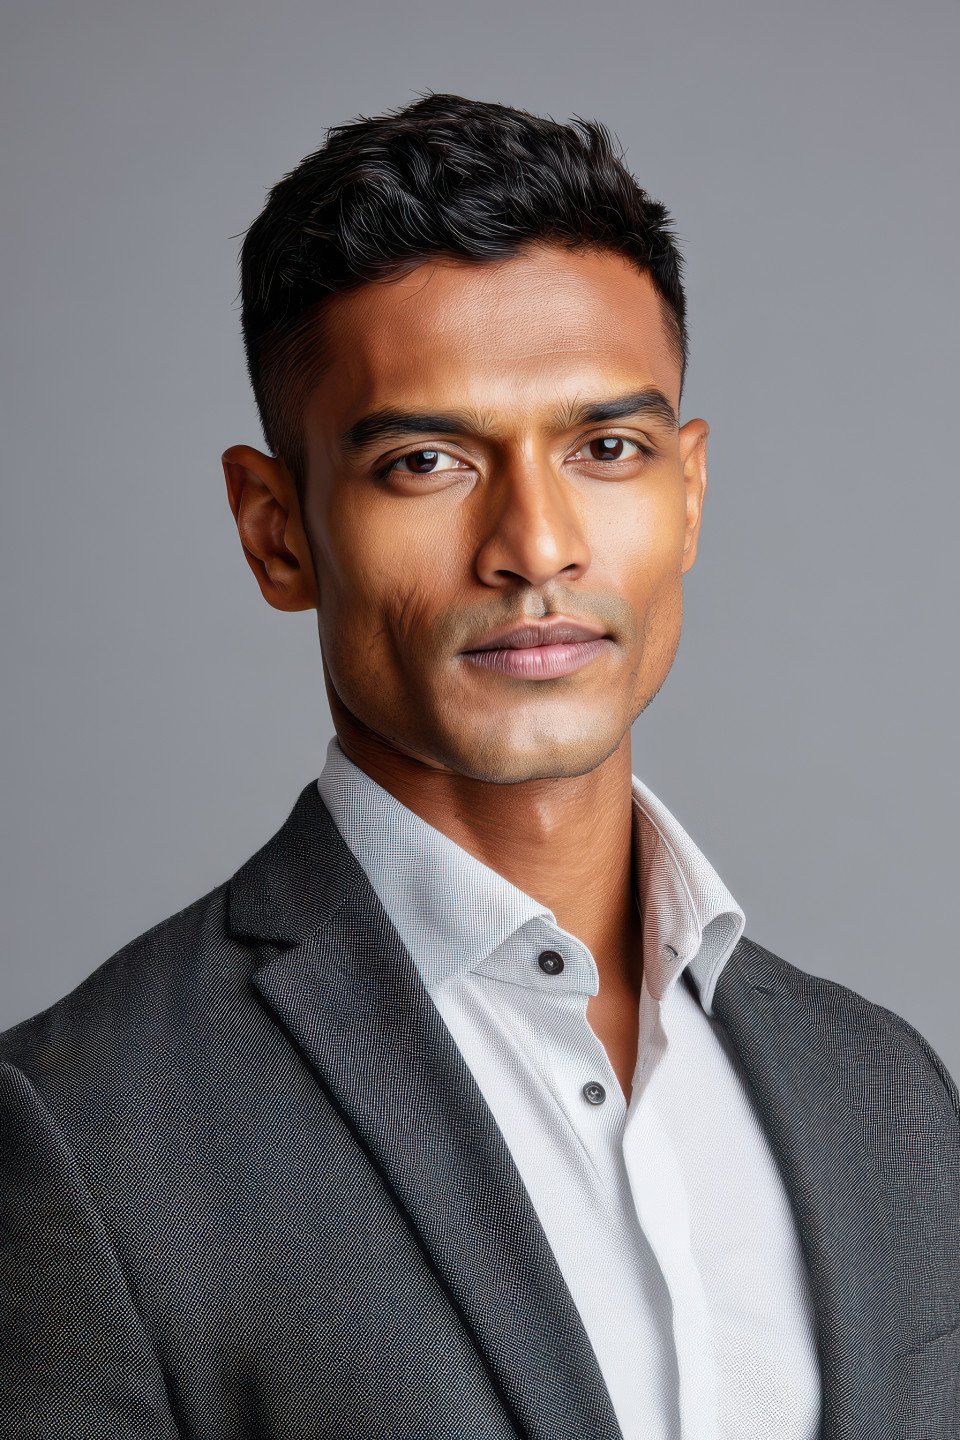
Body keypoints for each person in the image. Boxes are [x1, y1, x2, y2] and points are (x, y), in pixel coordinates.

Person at [1, 93, 957, 1440]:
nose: (535, 544)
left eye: (605, 448)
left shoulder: (887, 1090)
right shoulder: (86, 1133)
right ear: (277, 532)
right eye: (426, 461)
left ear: (687, 496)